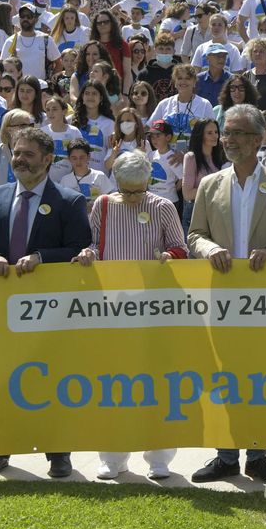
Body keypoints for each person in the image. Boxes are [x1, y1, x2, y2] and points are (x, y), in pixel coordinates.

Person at [0, 127, 92, 478]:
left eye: (28, 154)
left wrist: (41, 256)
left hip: (50, 314)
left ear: (48, 159)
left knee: (53, 379)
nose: (19, 160)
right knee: (0, 380)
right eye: (16, 153)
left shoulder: (69, 202)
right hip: (0, 308)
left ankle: (59, 454)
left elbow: (77, 247)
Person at [186, 104, 266, 485]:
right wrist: (208, 250)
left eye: (236, 133)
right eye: (225, 133)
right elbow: (194, 235)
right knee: (224, 377)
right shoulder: (209, 184)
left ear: (257, 139)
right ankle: (225, 455)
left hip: (263, 299)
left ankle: (258, 454)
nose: (228, 140)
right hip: (219, 297)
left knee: (260, 377)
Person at [74, 150, 187, 481]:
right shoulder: (104, 205)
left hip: (154, 309)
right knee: (112, 383)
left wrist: (169, 255)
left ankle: (159, 457)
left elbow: (182, 248)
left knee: (157, 384)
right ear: (117, 183)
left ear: (149, 181)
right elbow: (95, 245)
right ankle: (112, 455)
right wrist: (87, 254)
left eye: (138, 190)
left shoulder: (163, 207)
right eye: (127, 190)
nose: (133, 196)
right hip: (113, 309)